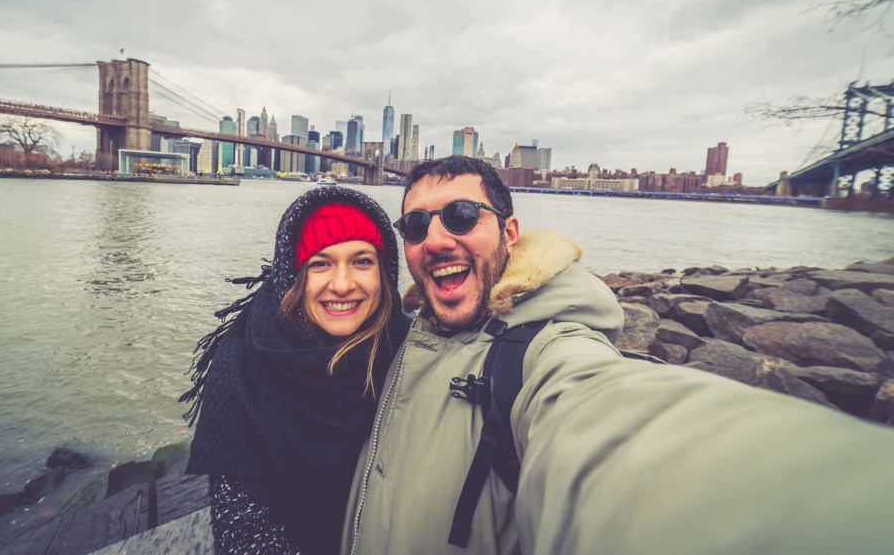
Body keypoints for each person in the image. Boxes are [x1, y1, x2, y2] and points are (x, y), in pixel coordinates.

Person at [341, 155, 894, 555]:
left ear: (510, 233)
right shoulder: (405, 334)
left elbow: (611, 425)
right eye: (415, 224)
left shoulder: (543, 352)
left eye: (461, 215)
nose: (435, 238)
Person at [182, 186, 407, 555]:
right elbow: (242, 520)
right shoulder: (244, 361)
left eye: (362, 261)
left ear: (386, 273)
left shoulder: (411, 348)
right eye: (320, 263)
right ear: (293, 277)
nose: (342, 284)